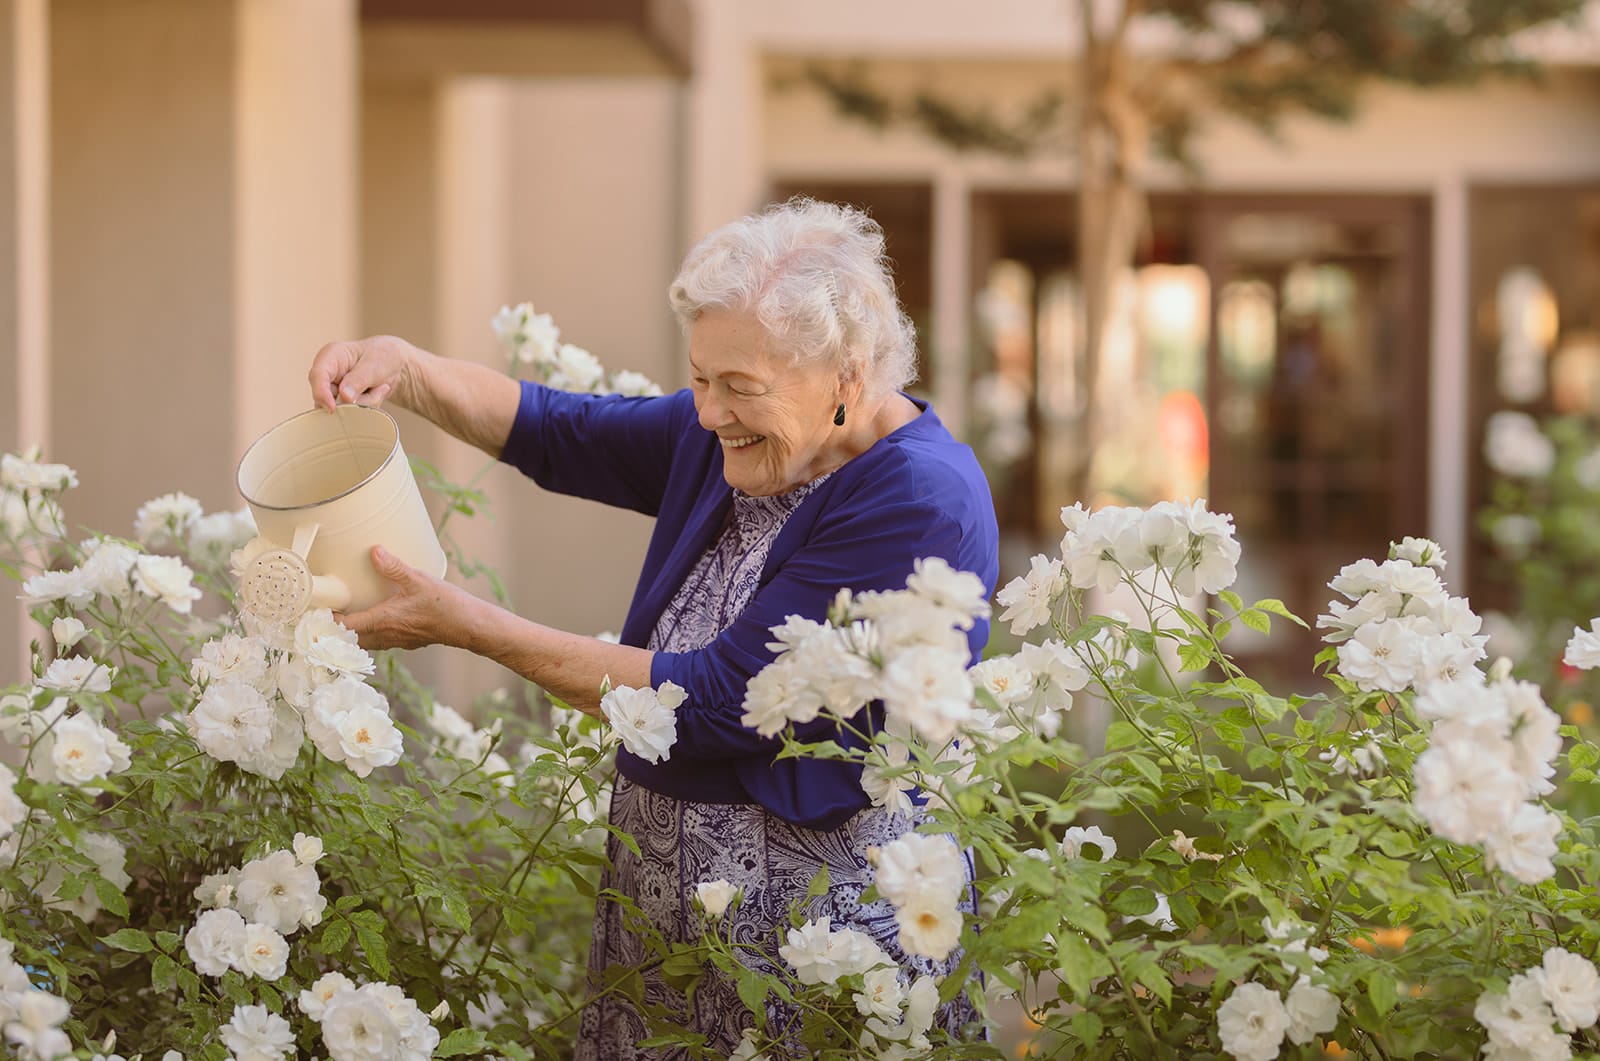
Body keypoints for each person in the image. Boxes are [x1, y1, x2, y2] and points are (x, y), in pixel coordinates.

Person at [307, 198, 999, 1057]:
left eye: (739, 387)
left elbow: (716, 701)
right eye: (700, 378)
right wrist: (405, 370)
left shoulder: (916, 499)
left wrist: (468, 625)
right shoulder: (732, 436)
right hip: (669, 951)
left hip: (817, 957)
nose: (708, 413)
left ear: (848, 379)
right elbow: (554, 428)